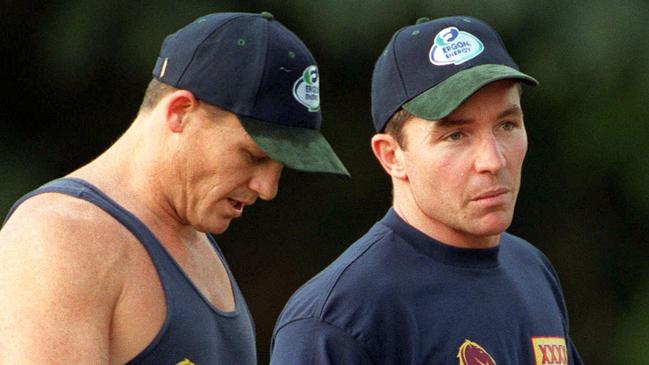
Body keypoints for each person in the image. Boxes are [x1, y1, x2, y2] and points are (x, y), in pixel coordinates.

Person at [0, 11, 348, 364]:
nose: (268, 188)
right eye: (253, 155)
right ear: (180, 111)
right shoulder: (60, 237)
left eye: (281, 167)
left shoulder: (195, 239)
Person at [271, 16, 583, 364]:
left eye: (507, 125)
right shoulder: (340, 318)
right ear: (392, 157)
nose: (492, 161)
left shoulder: (531, 270)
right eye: (455, 135)